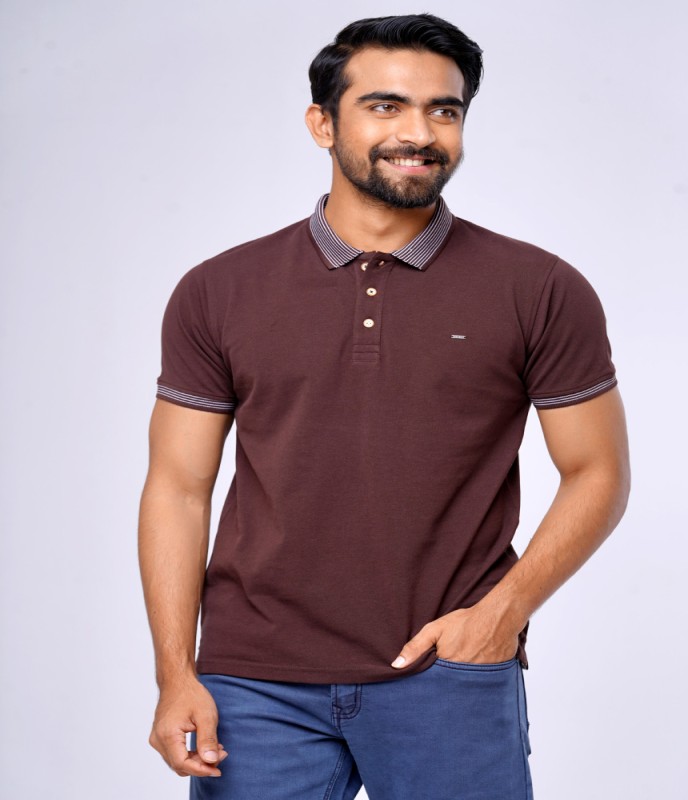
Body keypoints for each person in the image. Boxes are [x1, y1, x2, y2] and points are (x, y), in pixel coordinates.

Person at [138, 13, 631, 800]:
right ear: (322, 124)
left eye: (445, 110)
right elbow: (178, 487)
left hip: (449, 671)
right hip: (255, 684)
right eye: (385, 106)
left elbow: (598, 472)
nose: (420, 133)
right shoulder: (219, 290)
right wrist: (176, 673)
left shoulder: (539, 288)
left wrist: (501, 615)